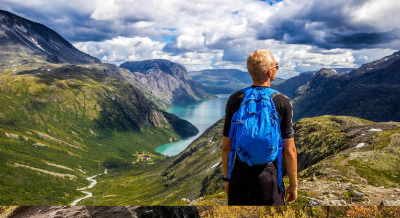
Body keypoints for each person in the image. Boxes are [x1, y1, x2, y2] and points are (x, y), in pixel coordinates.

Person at [221, 49, 298, 205]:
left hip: (240, 174)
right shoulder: (282, 101)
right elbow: (289, 150)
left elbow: (227, 147)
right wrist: (293, 185)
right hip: (269, 177)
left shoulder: (235, 99)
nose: (277, 68)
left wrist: (227, 179)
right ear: (270, 72)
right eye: (277, 65)